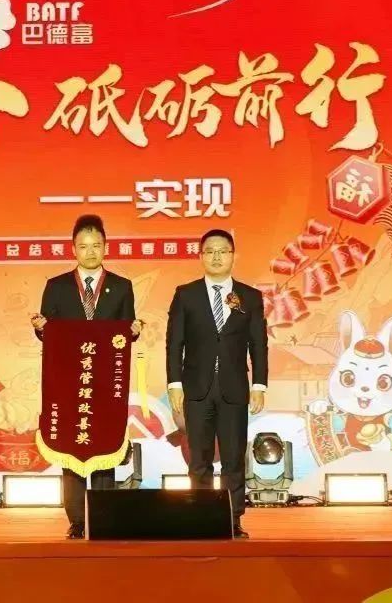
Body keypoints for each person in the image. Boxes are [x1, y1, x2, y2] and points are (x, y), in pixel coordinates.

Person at [30, 214, 142, 539]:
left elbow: (124, 333)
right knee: (72, 445)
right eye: (83, 246)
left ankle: (103, 515)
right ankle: (77, 520)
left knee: (104, 445)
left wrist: (133, 332)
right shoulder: (57, 286)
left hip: (105, 383)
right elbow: (49, 336)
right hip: (68, 383)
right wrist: (41, 329)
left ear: (106, 247)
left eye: (96, 245)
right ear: (73, 249)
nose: (90, 252)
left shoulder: (121, 287)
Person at [166, 229, 268, 539]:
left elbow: (258, 344)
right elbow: (174, 343)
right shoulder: (186, 294)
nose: (216, 257)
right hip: (196, 387)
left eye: (223, 251)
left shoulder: (250, 297)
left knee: (234, 458)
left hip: (234, 388)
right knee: (199, 459)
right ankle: (201, 516)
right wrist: (174, 383)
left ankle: (233, 519)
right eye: (210, 251)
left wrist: (259, 385)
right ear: (201, 256)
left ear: (233, 256)